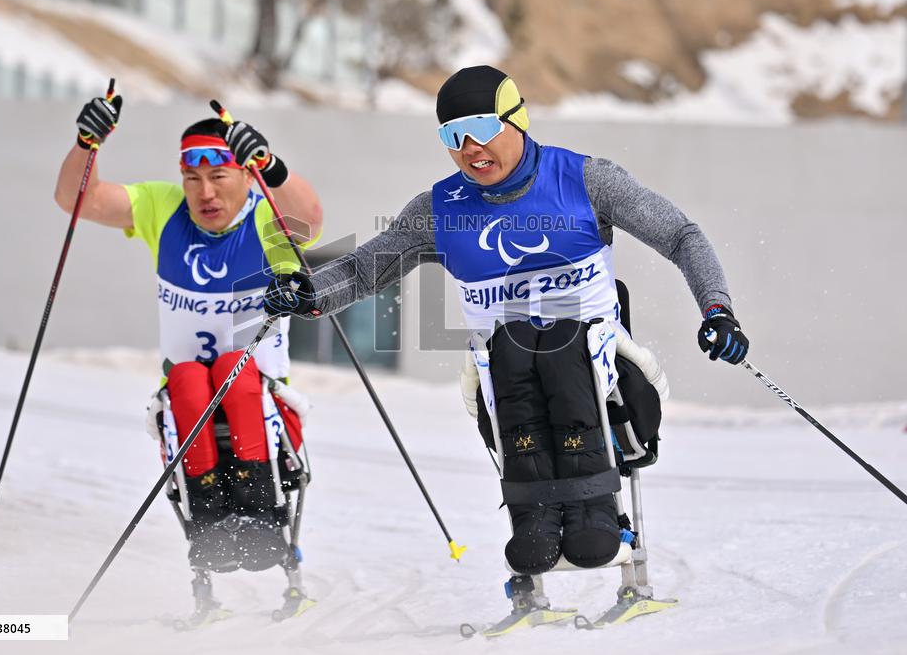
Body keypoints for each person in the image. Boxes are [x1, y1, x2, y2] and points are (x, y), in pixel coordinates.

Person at [261, 65, 750, 576]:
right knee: (514, 346)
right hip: (507, 386)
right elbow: (367, 269)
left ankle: (598, 513)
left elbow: (681, 235)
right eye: (453, 135)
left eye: (483, 128)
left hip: (611, 385)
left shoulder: (584, 180)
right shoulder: (440, 209)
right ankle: (534, 521)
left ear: (517, 120)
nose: (470, 147)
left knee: (556, 340)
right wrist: (308, 292)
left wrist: (717, 309)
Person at [53, 92, 323, 620]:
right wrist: (87, 145)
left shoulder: (268, 215)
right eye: (193, 178)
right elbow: (76, 200)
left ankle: (259, 514)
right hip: (187, 402)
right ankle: (210, 521)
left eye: (219, 176)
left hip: (262, 401)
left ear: (244, 177)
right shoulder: (162, 207)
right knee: (190, 379)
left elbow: (310, 220)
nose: (205, 193)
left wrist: (270, 164)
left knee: (230, 367)